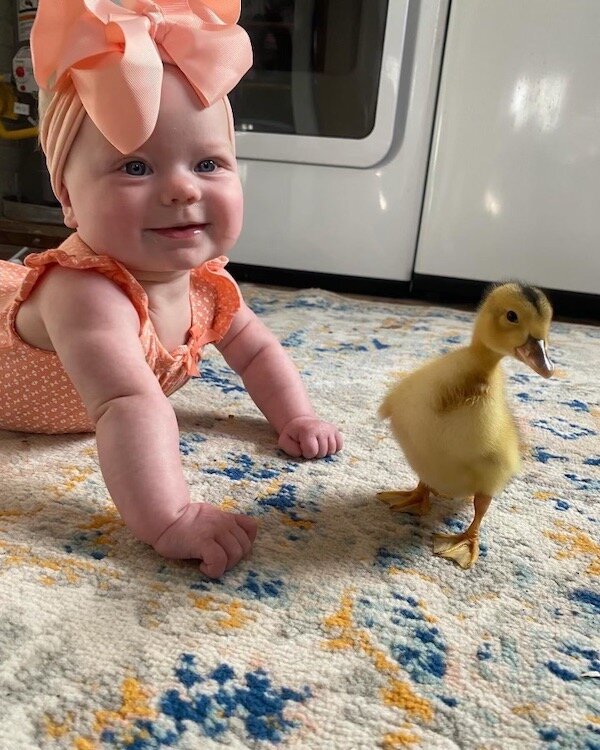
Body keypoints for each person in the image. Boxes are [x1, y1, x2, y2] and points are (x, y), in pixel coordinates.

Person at [0, 0, 342, 578]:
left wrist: (296, 417)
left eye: (208, 164)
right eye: (136, 168)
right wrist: (170, 517)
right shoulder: (84, 292)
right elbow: (128, 403)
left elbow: (256, 351)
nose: (183, 190)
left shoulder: (206, 284)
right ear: (69, 199)